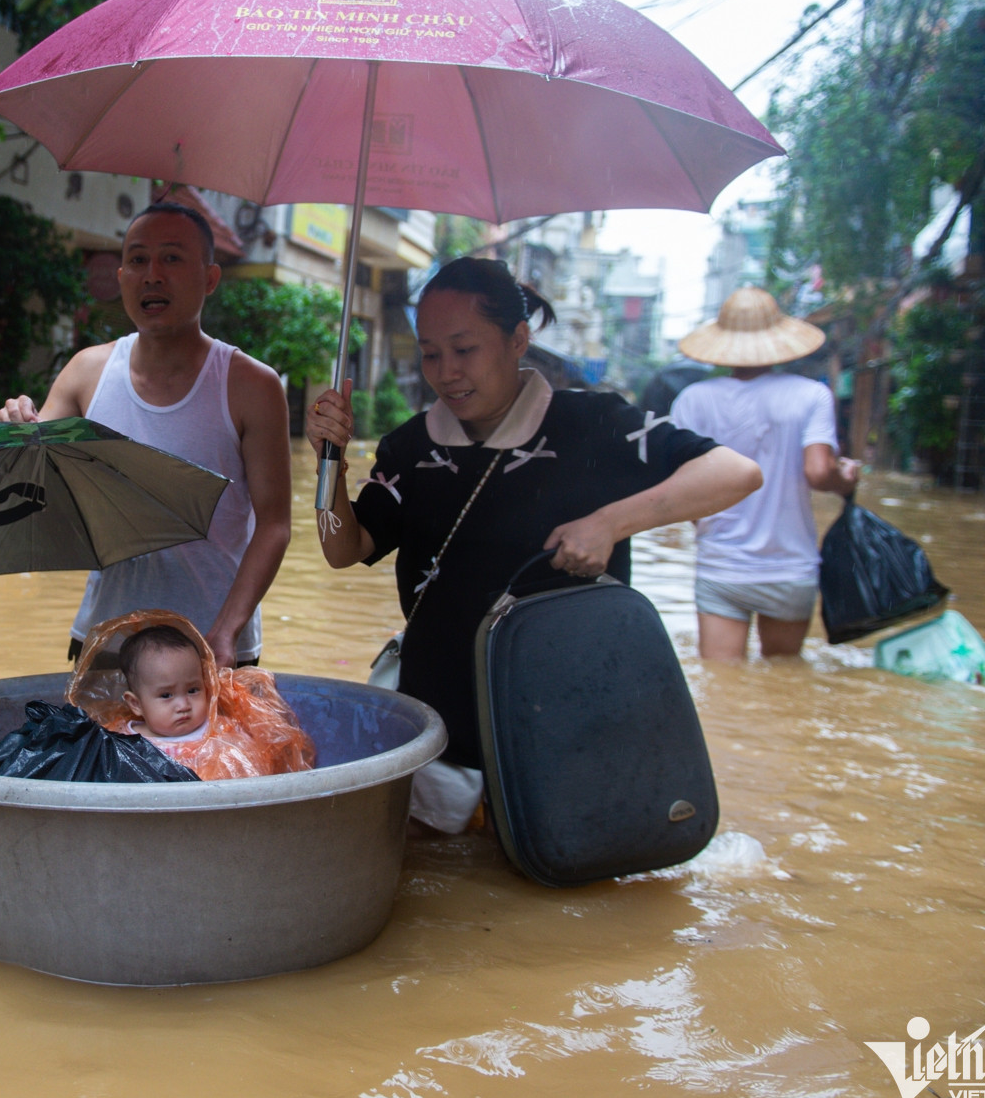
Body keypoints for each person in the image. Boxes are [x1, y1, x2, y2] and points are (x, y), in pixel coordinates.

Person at [304, 257, 761, 795]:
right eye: (431, 353)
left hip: (564, 727)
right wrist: (328, 463)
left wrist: (610, 522)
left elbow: (736, 472)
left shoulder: (595, 425)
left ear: (517, 339)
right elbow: (344, 547)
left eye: (465, 349)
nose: (446, 371)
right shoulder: (409, 447)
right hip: (439, 724)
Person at [0, 202, 291, 669]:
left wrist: (227, 629)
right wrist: (14, 437)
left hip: (213, 647)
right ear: (120, 278)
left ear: (210, 278)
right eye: (137, 260)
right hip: (107, 642)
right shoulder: (85, 374)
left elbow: (275, 525)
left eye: (172, 258)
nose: (152, 275)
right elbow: (35, 499)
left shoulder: (251, 386)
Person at [670, 287, 859, 661]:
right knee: (783, 681)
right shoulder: (811, 395)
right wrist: (847, 479)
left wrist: (707, 525)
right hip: (789, 566)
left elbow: (679, 485)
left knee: (722, 686)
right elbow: (820, 473)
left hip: (722, 565)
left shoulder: (693, 399)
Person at [69, 610, 315, 780]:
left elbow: (251, 771)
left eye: (193, 690)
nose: (183, 704)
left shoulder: (222, 732)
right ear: (136, 704)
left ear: (208, 686)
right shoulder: (118, 739)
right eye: (166, 695)